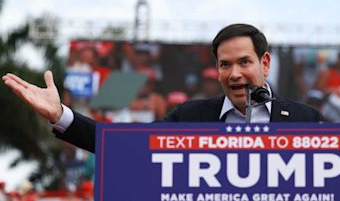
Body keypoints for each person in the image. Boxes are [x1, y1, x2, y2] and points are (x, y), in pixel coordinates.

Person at [2, 23, 323, 153]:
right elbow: (126, 146)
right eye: (225, 65)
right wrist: (61, 115)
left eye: (244, 62)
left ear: (264, 63)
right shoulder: (192, 117)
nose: (235, 74)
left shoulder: (306, 120)